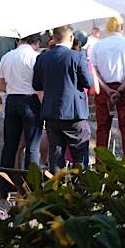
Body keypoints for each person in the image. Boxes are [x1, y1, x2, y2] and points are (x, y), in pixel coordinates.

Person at [32, 26, 94, 173]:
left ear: (54, 38)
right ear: (71, 37)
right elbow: (88, 83)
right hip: (74, 113)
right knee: (80, 156)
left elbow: (36, 85)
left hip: (52, 112)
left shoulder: (42, 57)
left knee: (56, 155)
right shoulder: (77, 56)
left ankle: (57, 190)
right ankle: (80, 191)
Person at [0, 33, 42, 195]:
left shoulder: (7, 56)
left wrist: (15, 89)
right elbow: (40, 85)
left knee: (9, 145)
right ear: (35, 42)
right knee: (32, 146)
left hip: (12, 100)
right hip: (30, 100)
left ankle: (4, 186)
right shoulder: (35, 57)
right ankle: (31, 188)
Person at [90, 15, 125, 162]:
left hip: (105, 88)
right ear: (122, 27)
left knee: (102, 128)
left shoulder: (98, 45)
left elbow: (94, 69)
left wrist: (106, 88)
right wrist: (121, 88)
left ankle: (100, 164)